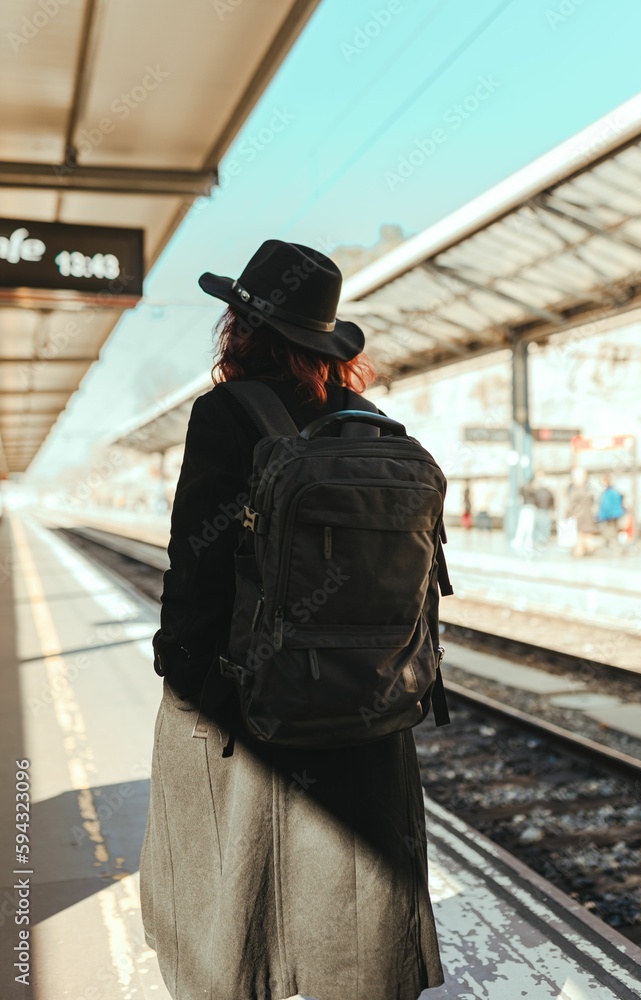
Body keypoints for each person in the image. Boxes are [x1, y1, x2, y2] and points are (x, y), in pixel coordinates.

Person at [139, 241, 445, 1000]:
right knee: (355, 907)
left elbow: (197, 568)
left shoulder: (225, 413)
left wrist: (185, 680)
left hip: (249, 706)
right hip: (368, 708)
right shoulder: (374, 427)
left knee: (225, 905)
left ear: (240, 328)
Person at [565, 466, 597, 557]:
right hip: (588, 515)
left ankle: (579, 551)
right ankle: (589, 547)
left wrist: (567, 514)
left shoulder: (575, 490)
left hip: (578, 516)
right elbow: (592, 502)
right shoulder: (588, 489)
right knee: (587, 533)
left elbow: (572, 505)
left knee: (579, 534)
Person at [597, 474, 625, 551]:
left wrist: (609, 515)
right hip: (607, 516)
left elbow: (609, 505)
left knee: (610, 533)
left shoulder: (611, 492)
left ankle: (614, 548)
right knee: (608, 533)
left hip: (610, 517)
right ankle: (609, 547)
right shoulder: (607, 492)